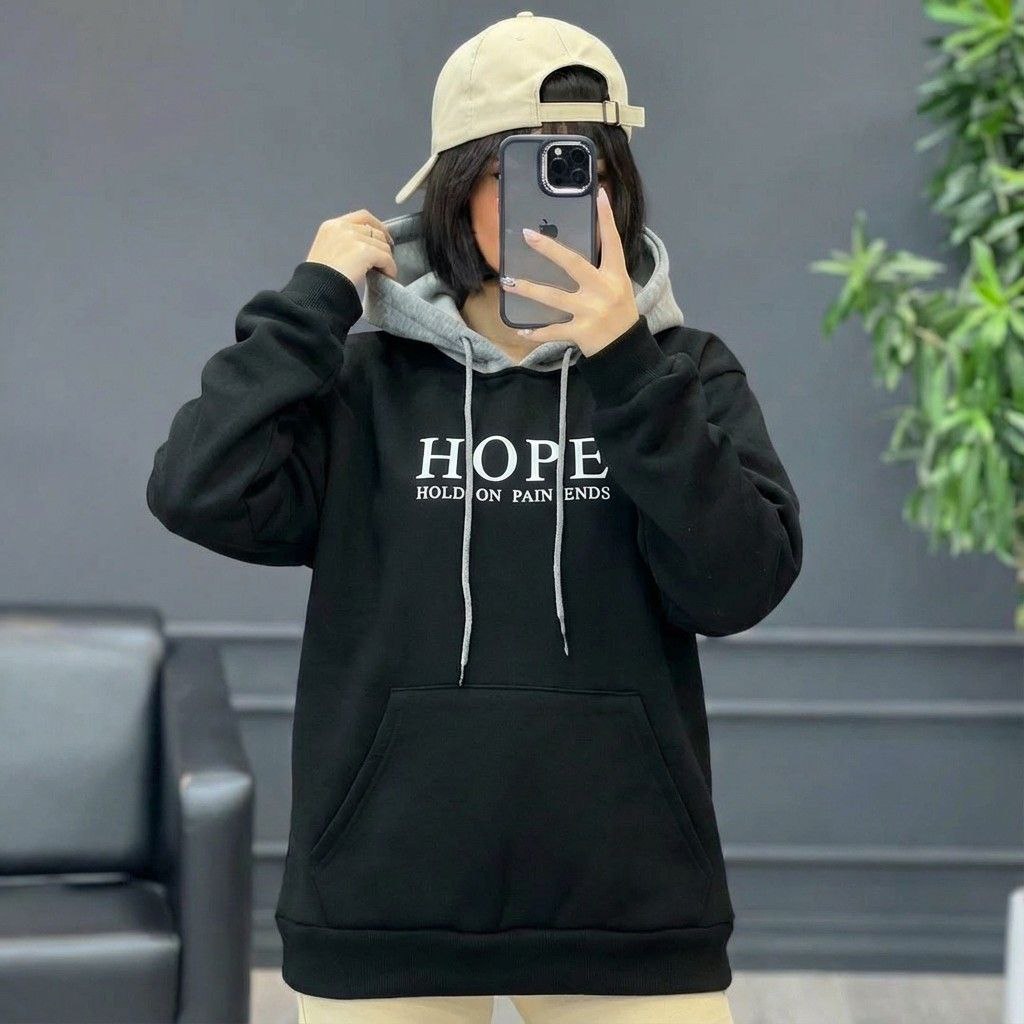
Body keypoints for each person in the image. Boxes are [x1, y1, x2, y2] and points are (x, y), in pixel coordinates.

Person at [146, 11, 802, 1024]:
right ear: (454, 186)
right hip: (381, 903)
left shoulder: (681, 373)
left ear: (618, 186)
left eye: (582, 164)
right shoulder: (365, 384)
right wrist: (314, 300)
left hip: (628, 908)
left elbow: (738, 585)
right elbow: (197, 485)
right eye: (514, 167)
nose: (551, 197)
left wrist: (626, 364)